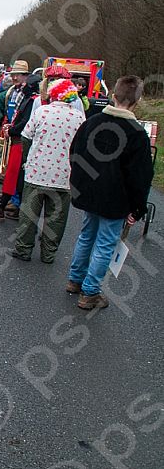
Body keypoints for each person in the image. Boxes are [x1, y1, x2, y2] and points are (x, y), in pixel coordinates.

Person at [67, 76, 153, 310]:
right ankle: (90, 291)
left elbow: (75, 152)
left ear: (113, 96)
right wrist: (138, 207)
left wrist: (80, 182)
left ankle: (75, 279)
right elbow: (141, 176)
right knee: (105, 244)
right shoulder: (137, 134)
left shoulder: (92, 121)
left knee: (86, 235)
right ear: (138, 101)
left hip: (89, 192)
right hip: (116, 199)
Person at [12, 79, 84, 262]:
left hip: (37, 172)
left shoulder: (41, 112)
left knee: (29, 215)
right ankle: (48, 253)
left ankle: (23, 249)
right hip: (64, 176)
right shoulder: (79, 118)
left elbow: (26, 136)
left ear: (53, 94)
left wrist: (28, 158)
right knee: (57, 218)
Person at [0, 73, 41, 221]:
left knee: (14, 174)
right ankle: (12, 204)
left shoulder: (33, 101)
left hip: (20, 141)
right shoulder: (27, 98)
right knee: (14, 175)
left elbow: (26, 121)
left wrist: (11, 130)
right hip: (17, 139)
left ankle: (4, 206)